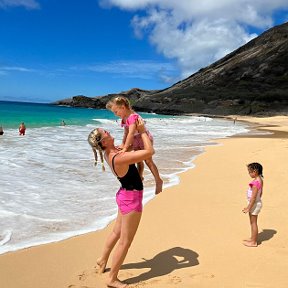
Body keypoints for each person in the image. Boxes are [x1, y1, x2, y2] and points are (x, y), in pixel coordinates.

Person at [88, 118, 155, 288]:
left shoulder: (112, 153)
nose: (109, 133)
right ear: (103, 141)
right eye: (106, 133)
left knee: (117, 231)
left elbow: (127, 145)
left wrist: (129, 129)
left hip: (124, 195)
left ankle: (102, 259)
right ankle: (112, 279)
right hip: (131, 199)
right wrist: (141, 131)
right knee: (125, 241)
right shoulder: (119, 157)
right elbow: (149, 152)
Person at [106, 96, 163, 194]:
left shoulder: (132, 117)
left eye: (116, 112)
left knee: (148, 160)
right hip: (136, 139)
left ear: (123, 107)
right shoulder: (124, 118)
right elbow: (126, 132)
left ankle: (158, 180)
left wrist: (125, 148)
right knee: (138, 161)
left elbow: (131, 133)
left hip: (144, 138)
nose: (115, 114)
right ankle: (140, 177)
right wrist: (123, 144)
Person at [242, 162, 264, 247]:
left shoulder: (255, 183)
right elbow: (261, 192)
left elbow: (253, 198)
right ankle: (252, 238)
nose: (249, 174)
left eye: (249, 172)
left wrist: (248, 207)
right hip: (256, 203)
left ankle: (253, 242)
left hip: (254, 204)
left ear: (255, 171)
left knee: (253, 223)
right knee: (252, 222)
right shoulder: (260, 180)